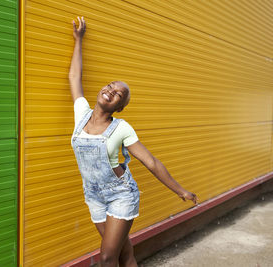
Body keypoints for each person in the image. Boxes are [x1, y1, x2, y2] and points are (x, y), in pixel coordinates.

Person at [69, 17, 198, 267]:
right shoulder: (81, 112)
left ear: (121, 105)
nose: (111, 91)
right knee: (124, 255)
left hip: (120, 194)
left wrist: (180, 190)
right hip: (93, 194)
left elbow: (150, 161)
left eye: (119, 93)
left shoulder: (121, 128)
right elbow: (74, 77)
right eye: (110, 86)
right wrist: (79, 40)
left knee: (106, 258)